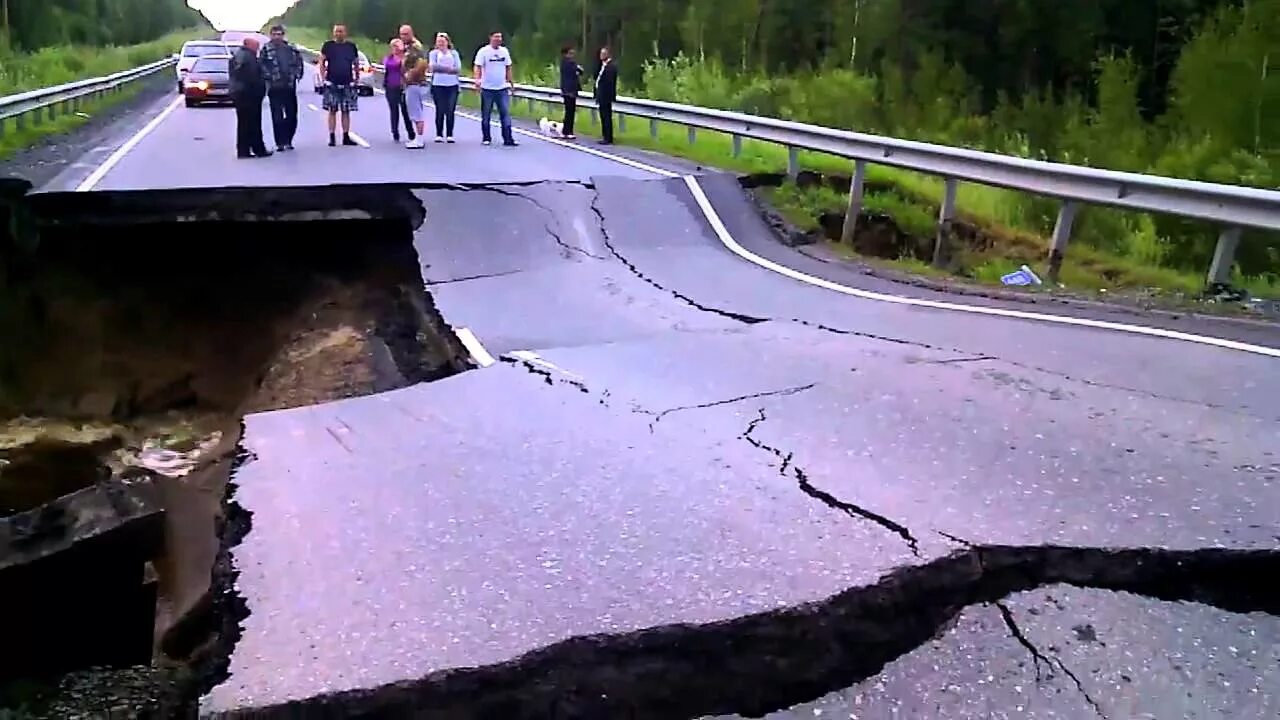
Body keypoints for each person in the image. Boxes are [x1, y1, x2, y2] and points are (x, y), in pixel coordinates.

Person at [258, 24, 304, 152]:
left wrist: (296, 75)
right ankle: (280, 142)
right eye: (275, 34)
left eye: (279, 34)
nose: (277, 37)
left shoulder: (291, 49)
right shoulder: (266, 49)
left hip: (289, 87)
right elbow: (261, 65)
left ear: (283, 35)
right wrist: (269, 77)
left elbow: (299, 64)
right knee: (277, 117)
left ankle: (288, 140)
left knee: (292, 116)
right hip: (275, 88)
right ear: (270, 35)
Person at [318, 24, 361, 147]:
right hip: (332, 82)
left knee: (346, 110)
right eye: (337, 31)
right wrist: (323, 78)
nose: (339, 34)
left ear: (345, 33)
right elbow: (321, 62)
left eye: (341, 31)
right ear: (333, 33)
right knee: (332, 110)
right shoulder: (328, 46)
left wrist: (357, 79)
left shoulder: (351, 47)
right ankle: (332, 136)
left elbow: (356, 63)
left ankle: (346, 136)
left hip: (347, 82)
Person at [472, 31, 517, 147]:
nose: (498, 39)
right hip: (487, 88)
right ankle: (486, 137)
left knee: (505, 113)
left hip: (501, 88)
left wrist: (511, 82)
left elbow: (508, 67)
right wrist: (477, 80)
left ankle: (508, 138)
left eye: (500, 37)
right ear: (490, 38)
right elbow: (477, 66)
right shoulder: (484, 51)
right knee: (486, 113)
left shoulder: (504, 51)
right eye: (496, 37)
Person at [228, 37, 270, 158]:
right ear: (249, 45)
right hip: (248, 94)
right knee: (253, 123)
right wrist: (261, 89)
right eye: (256, 46)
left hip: (239, 93)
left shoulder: (238, 55)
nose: (257, 48)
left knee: (243, 123)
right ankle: (258, 149)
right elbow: (253, 77)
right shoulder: (248, 58)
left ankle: (243, 150)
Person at [398, 24, 429, 149]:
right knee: (414, 111)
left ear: (411, 33)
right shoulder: (407, 47)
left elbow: (421, 64)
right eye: (401, 34)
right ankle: (418, 137)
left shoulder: (415, 47)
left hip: (414, 83)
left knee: (416, 112)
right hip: (410, 83)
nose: (403, 36)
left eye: (406, 34)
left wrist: (410, 75)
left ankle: (420, 139)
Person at [428, 32, 461, 143]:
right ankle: (439, 134)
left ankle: (450, 134)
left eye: (443, 41)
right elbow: (432, 66)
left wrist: (442, 68)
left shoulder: (454, 53)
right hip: (438, 85)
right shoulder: (433, 53)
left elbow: (458, 68)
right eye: (438, 42)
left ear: (447, 42)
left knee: (450, 110)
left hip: (452, 85)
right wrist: (448, 69)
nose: (441, 43)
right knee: (440, 109)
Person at [382, 39, 415, 144]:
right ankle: (395, 132)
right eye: (393, 46)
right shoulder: (389, 58)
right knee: (394, 109)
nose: (395, 48)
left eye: (397, 46)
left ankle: (411, 132)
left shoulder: (406, 58)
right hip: (390, 85)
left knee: (405, 110)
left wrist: (404, 59)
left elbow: (407, 68)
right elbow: (386, 65)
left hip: (403, 86)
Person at [558, 44, 583, 139]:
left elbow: (578, 71)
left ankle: (566, 130)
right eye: (571, 53)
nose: (573, 55)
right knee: (570, 111)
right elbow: (579, 71)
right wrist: (577, 70)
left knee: (569, 111)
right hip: (570, 90)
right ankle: (568, 131)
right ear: (566, 54)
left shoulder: (564, 63)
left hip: (566, 90)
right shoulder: (570, 63)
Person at [595, 46, 618, 145]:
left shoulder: (611, 66)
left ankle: (608, 137)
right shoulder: (603, 65)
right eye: (600, 53)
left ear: (607, 55)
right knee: (604, 117)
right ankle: (605, 136)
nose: (600, 56)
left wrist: (603, 94)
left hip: (606, 96)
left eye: (603, 54)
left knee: (606, 117)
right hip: (602, 96)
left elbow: (608, 83)